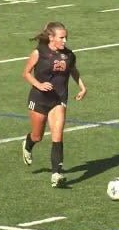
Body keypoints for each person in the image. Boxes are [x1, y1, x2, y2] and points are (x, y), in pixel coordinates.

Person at [21, 22, 87, 187]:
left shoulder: (69, 55)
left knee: (57, 136)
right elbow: (26, 73)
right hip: (39, 98)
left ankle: (56, 174)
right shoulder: (39, 53)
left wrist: (82, 86)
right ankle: (28, 144)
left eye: (66, 37)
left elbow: (73, 70)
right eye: (61, 37)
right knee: (38, 136)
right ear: (51, 37)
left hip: (59, 99)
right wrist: (39, 85)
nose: (65, 41)